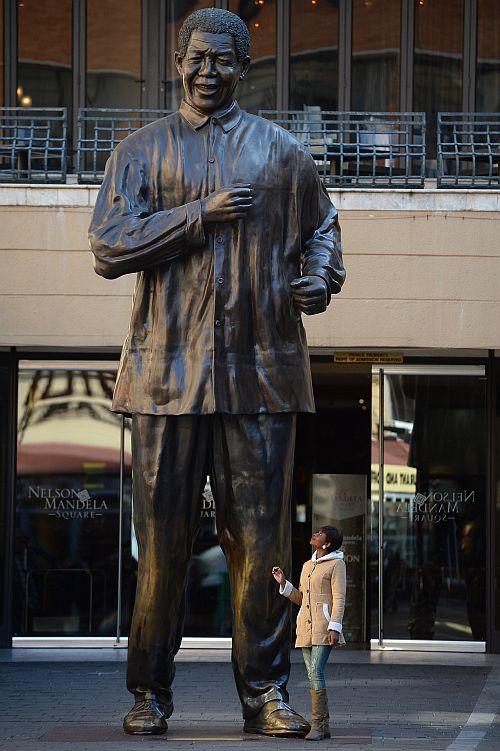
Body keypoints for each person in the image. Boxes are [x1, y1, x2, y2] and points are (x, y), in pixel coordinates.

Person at [88, 7, 345, 739]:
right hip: (166, 380)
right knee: (163, 547)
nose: (207, 72)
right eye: (196, 58)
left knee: (261, 550)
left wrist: (318, 280)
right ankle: (149, 692)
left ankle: (265, 692)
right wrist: (199, 214)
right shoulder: (141, 152)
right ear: (178, 61)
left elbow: (325, 234)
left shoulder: (282, 153)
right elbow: (108, 244)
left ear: (243, 66)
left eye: (222, 60)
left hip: (260, 377)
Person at [272, 526, 346, 741]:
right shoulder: (307, 565)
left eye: (320, 533)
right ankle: (323, 725)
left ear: (327, 543)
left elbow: (339, 598)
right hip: (305, 627)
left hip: (324, 627)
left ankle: (319, 725)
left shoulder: (337, 564)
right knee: (311, 675)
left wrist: (334, 626)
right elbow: (301, 598)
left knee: (316, 673)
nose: (315, 534)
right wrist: (284, 584)